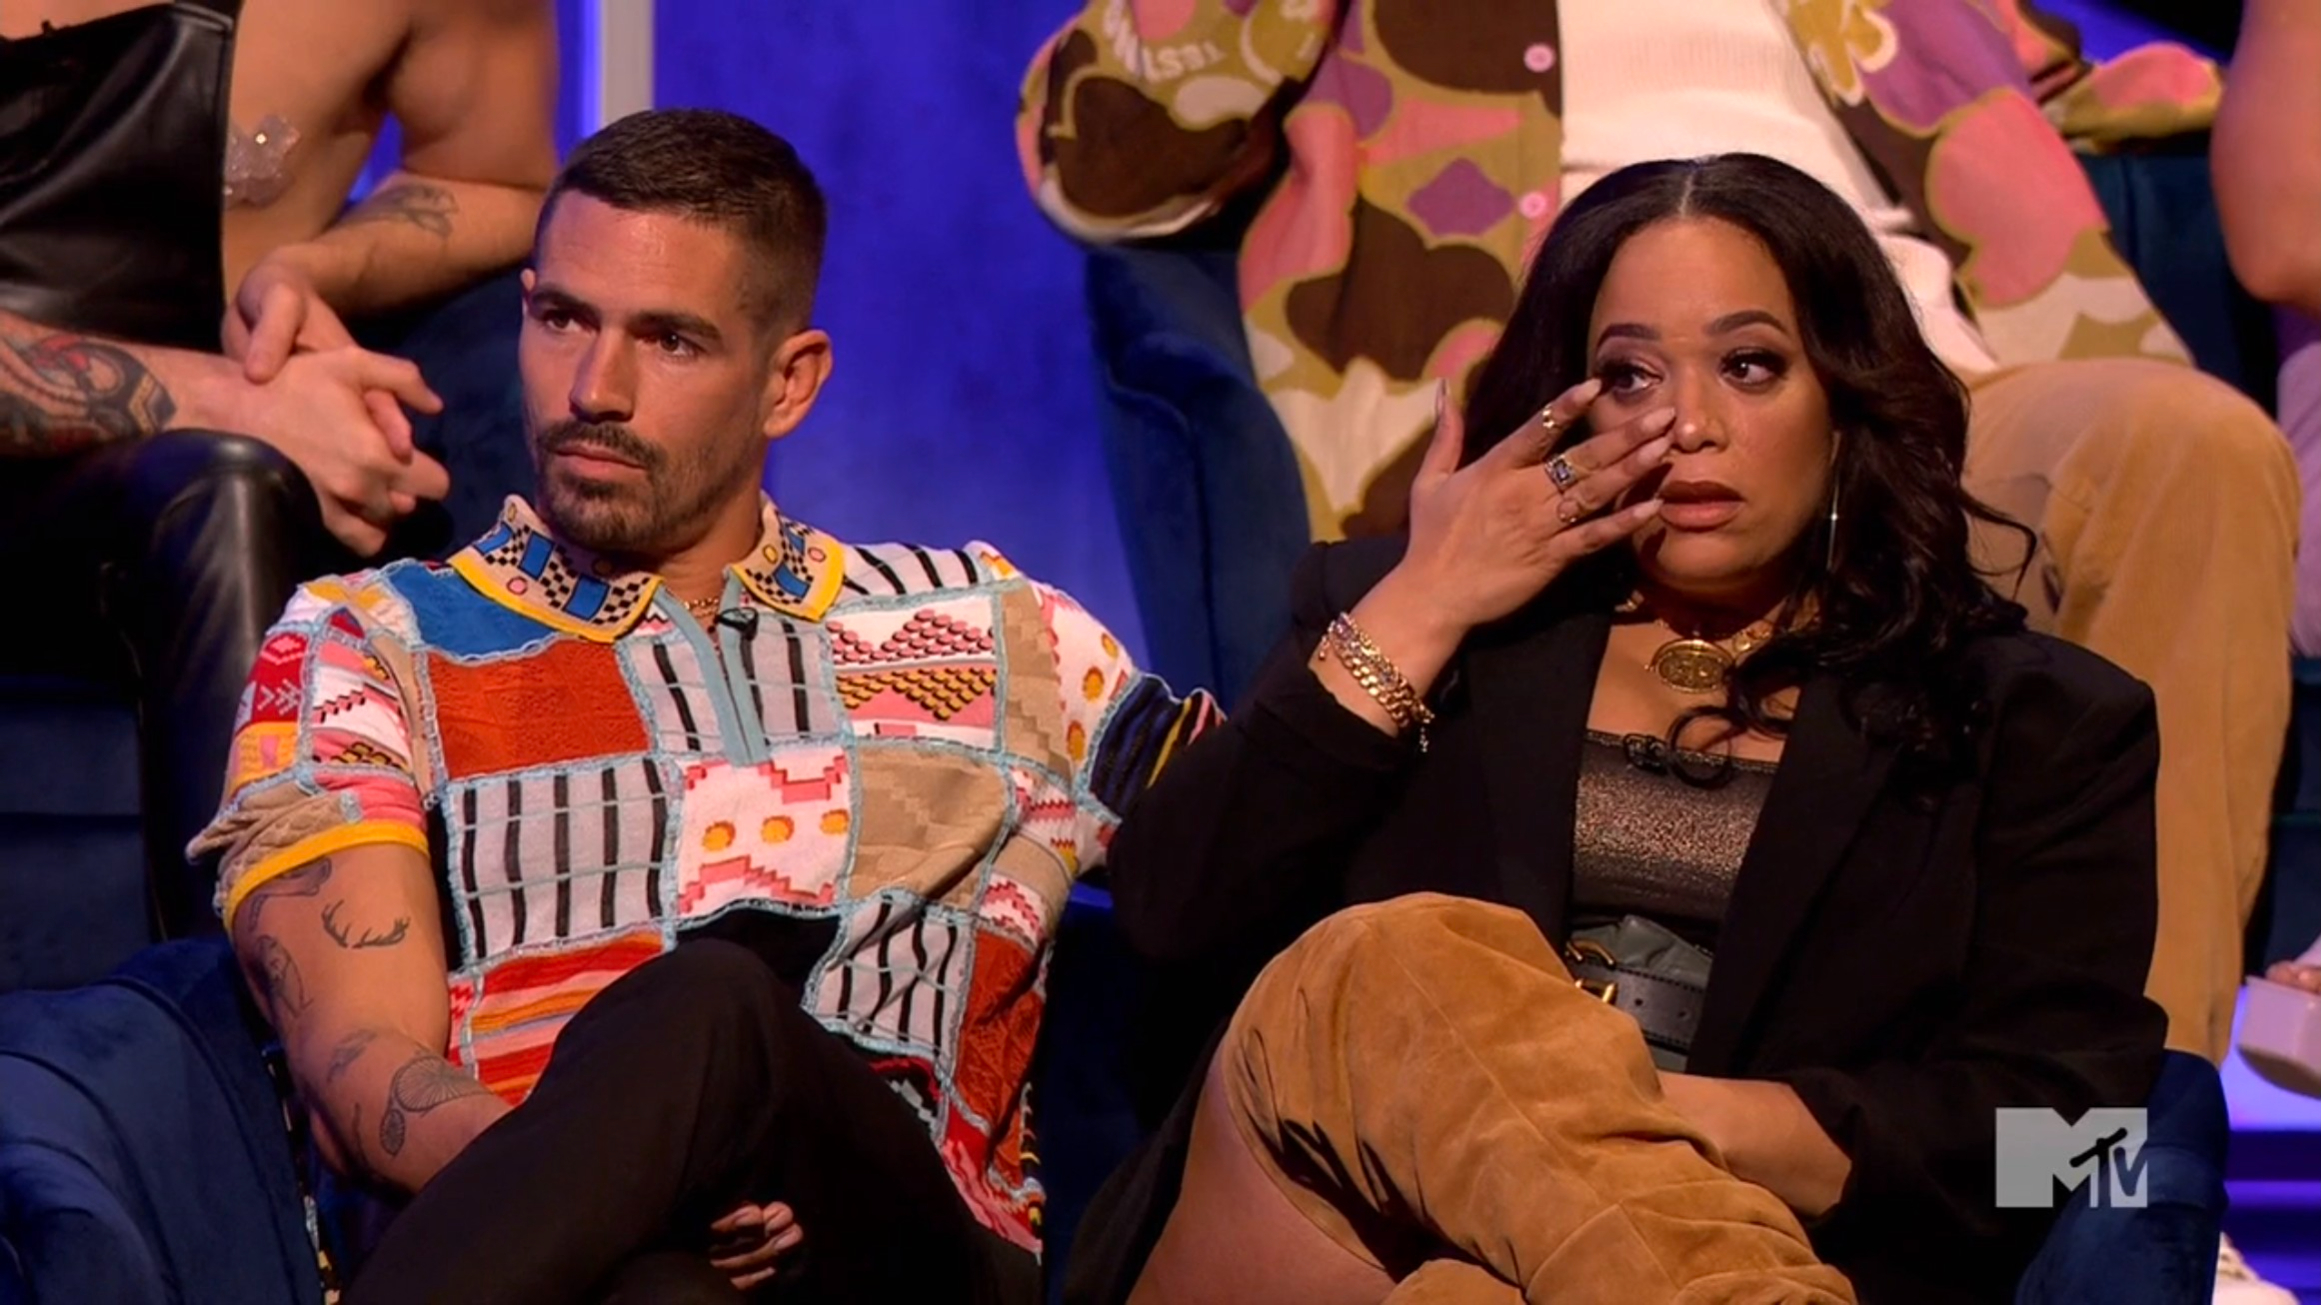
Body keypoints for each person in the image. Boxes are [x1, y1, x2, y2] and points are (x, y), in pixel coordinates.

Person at [1071, 154, 2170, 1305]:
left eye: (1748, 366)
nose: (1686, 424)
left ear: (1846, 396)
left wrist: (1629, 1128)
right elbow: (1166, 919)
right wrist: (1424, 605)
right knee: (1379, 968)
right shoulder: (1420, 621)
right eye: (1629, 375)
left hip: (1710, 1252)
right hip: (1320, 1233)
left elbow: (2079, 1145)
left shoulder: (2033, 722)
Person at [189, 107, 1218, 1303]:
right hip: (571, 1272)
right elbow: (358, 1064)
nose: (595, 389)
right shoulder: (373, 641)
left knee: (714, 1007)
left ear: (789, 383)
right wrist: (631, 1190)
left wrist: (1383, 632)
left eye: (669, 341)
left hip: (901, 1264)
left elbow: (1251, 841)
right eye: (562, 319)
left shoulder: (1002, 633)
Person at [0, 0, 557, 930]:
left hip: (167, 494)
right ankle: (231, 997)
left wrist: (310, 273)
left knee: (227, 488)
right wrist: (238, 403)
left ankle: (421, 964)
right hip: (139, 464)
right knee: (225, 479)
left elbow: (495, 181)